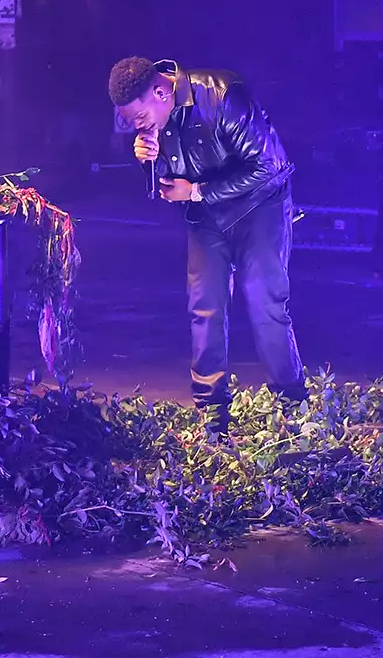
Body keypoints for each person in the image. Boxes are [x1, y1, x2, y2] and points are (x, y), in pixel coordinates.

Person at [108, 57, 308, 431]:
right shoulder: (156, 120)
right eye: (130, 122)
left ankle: (292, 402)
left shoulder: (221, 94)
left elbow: (267, 166)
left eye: (139, 119)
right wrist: (147, 161)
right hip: (207, 214)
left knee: (264, 300)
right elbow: (164, 189)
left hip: (260, 203)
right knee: (205, 306)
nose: (138, 127)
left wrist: (197, 191)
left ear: (160, 92)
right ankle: (211, 411)